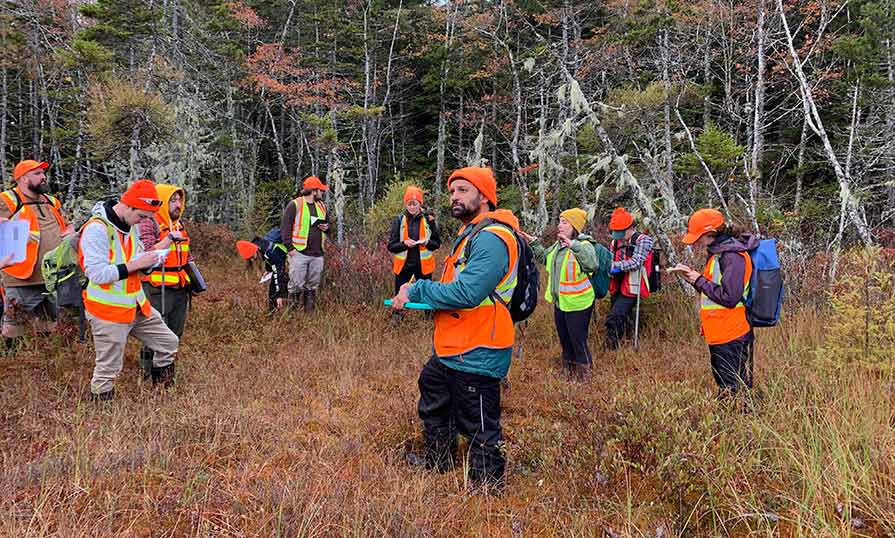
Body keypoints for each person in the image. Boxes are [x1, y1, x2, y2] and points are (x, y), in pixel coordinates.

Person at [392, 166, 520, 491]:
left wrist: (417, 290)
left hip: (479, 350)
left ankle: (486, 487)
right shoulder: (471, 235)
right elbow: (453, 285)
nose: (455, 197)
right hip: (455, 348)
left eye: (463, 190)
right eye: (452, 192)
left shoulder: (493, 239)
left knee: (478, 423)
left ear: (484, 195)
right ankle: (440, 461)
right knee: (433, 390)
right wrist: (416, 290)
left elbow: (467, 293)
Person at [79, 179, 179, 401]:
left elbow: (135, 258)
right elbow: (96, 274)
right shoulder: (97, 229)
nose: (143, 222)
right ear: (128, 205)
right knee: (108, 369)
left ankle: (162, 394)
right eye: (141, 216)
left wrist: (150, 261)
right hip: (108, 312)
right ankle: (102, 418)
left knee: (169, 343)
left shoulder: (130, 226)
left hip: (136, 305)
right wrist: (136, 265)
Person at [669, 209, 759, 399]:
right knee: (728, 383)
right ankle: (737, 417)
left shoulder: (732, 256)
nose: (698, 242)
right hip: (720, 331)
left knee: (732, 387)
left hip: (732, 331)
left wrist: (698, 279)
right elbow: (713, 290)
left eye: (699, 236)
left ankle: (738, 422)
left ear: (711, 233)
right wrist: (691, 278)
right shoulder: (719, 253)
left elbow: (730, 298)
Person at [0, 160, 72, 353]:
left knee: (50, 323)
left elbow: (62, 227)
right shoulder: (8, 199)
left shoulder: (51, 201)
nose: (43, 177)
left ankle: (42, 361)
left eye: (43, 173)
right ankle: (10, 361)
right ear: (23, 179)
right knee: (13, 325)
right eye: (38, 173)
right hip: (22, 276)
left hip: (52, 276)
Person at [519, 208, 597, 380]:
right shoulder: (558, 245)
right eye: (559, 221)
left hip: (579, 302)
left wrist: (573, 245)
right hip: (561, 301)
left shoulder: (584, 245)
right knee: (565, 340)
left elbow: (592, 264)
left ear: (574, 226)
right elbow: (545, 259)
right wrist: (533, 243)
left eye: (564, 222)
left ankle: (585, 376)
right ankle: (568, 373)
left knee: (578, 340)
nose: (559, 226)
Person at [137, 184, 191, 378]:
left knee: (175, 333)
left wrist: (194, 278)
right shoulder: (148, 222)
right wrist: (168, 238)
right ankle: (147, 372)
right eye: (173, 200)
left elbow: (186, 255)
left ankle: (165, 373)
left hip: (179, 286)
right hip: (155, 287)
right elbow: (147, 252)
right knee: (153, 332)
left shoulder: (179, 224)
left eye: (179, 200)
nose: (178, 205)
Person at [605, 207, 653, 350]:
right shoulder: (615, 242)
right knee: (622, 316)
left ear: (630, 228)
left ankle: (611, 348)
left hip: (633, 284)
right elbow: (609, 258)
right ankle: (623, 341)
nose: (618, 237)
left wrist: (615, 265)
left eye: (620, 233)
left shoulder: (643, 240)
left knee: (614, 316)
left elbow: (637, 262)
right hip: (617, 284)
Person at [280, 176, 329, 312]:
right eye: (320, 190)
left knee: (312, 286)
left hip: (318, 254)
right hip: (299, 253)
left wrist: (327, 227)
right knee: (295, 285)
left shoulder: (322, 206)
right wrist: (290, 249)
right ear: (314, 191)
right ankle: (292, 317)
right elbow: (285, 228)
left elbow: (329, 226)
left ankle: (309, 316)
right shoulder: (295, 204)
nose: (322, 192)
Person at [387, 186, 441, 294]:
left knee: (426, 297)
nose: (412, 207)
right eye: (409, 204)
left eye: (414, 204)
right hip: (403, 268)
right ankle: (399, 312)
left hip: (424, 268)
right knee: (400, 298)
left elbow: (437, 243)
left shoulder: (429, 220)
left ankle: (428, 312)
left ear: (420, 203)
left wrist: (427, 242)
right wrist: (404, 244)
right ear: (405, 204)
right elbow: (391, 246)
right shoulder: (399, 220)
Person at [235, 228, 289, 312]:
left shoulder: (271, 251)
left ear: (255, 251)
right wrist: (268, 269)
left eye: (252, 257)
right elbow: (269, 260)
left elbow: (279, 272)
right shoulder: (259, 245)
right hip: (280, 262)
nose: (252, 260)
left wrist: (279, 295)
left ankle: (288, 311)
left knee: (281, 287)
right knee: (272, 291)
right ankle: (272, 313)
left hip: (292, 259)